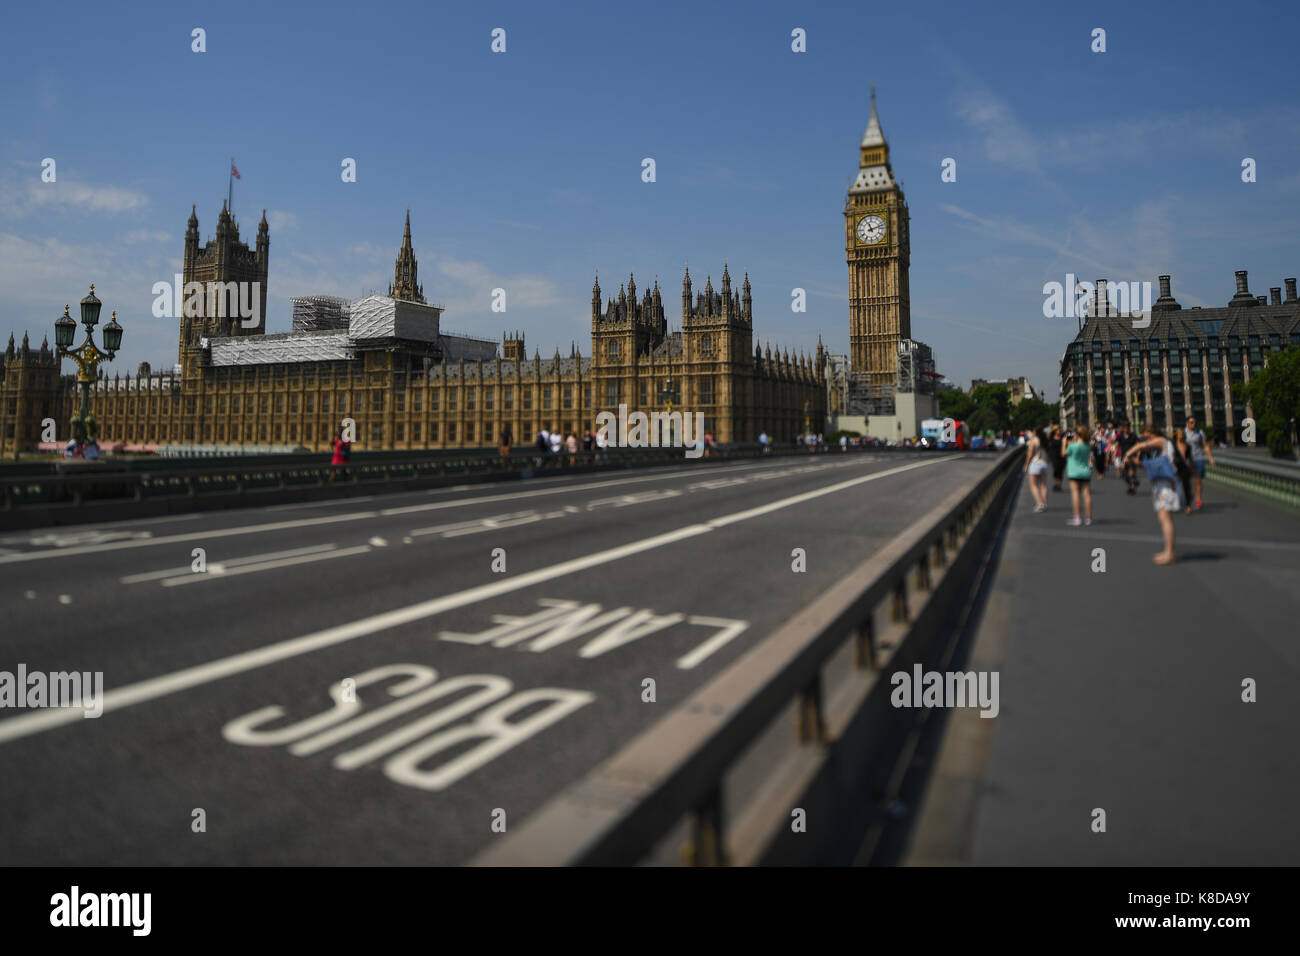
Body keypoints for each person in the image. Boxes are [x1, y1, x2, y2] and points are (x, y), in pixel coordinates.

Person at [1123, 424, 1181, 565]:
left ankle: (1170, 553)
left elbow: (1142, 446)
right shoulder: (1160, 450)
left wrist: (1127, 454)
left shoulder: (1162, 441)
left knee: (1165, 518)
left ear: (1153, 433)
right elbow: (1148, 464)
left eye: (1147, 435)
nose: (1145, 439)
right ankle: (1168, 550)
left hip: (1166, 486)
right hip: (1161, 485)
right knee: (1164, 518)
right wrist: (1134, 461)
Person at [1183, 416, 1216, 510]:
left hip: (1198, 458)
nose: (1193, 424)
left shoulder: (1200, 433)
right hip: (1187, 460)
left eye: (1194, 423)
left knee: (1198, 480)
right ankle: (1189, 496)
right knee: (1187, 481)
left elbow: (1205, 446)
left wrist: (1211, 458)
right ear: (1187, 423)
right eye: (1191, 422)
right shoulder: (1183, 433)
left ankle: (1198, 499)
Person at [1064, 425, 1094, 526]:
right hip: (1085, 471)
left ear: (1077, 435)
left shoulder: (1073, 446)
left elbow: (1064, 454)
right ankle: (1088, 518)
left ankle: (1077, 518)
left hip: (1074, 471)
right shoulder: (1088, 446)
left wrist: (1065, 443)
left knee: (1075, 494)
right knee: (1087, 495)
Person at [1024, 427, 1051, 512]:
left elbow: (1030, 454)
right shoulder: (1045, 441)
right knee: (1043, 485)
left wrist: (1026, 465)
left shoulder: (1034, 441)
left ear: (1035, 432)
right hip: (1044, 464)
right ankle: (1045, 503)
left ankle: (1039, 504)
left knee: (1033, 485)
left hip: (1035, 464)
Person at [1116, 422, 1140, 494]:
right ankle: (1132, 483)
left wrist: (1138, 456)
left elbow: (1138, 446)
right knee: (1124, 473)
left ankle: (1132, 486)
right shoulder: (1120, 436)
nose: (1126, 429)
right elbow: (1117, 445)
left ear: (1129, 428)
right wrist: (1114, 454)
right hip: (1123, 456)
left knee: (1131, 470)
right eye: (1124, 427)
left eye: (1127, 427)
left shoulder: (1133, 436)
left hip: (1132, 456)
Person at [1048, 425, 1066, 491]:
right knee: (1056, 470)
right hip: (1054, 457)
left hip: (1062, 457)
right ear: (1055, 431)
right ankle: (1056, 483)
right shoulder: (1051, 438)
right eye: (1058, 430)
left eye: (1059, 430)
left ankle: (1059, 485)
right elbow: (1049, 447)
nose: (1059, 431)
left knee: (1060, 471)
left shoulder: (1062, 438)